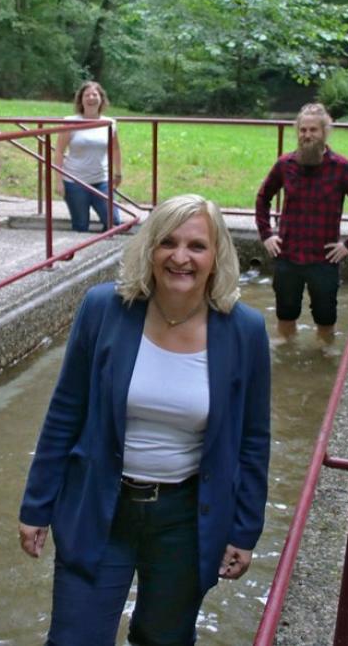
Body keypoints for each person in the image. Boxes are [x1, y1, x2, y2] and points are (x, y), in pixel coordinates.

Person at [18, 194, 271, 645]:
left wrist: (245, 529)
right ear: (149, 248)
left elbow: (253, 440)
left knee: (163, 639)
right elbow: (65, 412)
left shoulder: (243, 331)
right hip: (100, 505)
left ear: (216, 257)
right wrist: (37, 505)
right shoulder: (104, 310)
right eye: (167, 243)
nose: (180, 257)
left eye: (196, 246)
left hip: (186, 518)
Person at [255, 102, 348, 345]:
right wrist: (267, 234)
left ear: (324, 132)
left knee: (325, 318)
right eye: (303, 130)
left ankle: (323, 361)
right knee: (285, 315)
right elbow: (263, 198)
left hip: (324, 260)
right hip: (288, 257)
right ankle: (288, 356)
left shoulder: (341, 168)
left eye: (313, 130)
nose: (307, 135)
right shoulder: (284, 165)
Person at [54, 81, 124, 232]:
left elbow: (116, 149)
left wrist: (118, 173)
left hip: (101, 180)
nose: (91, 98)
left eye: (95, 94)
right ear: (81, 99)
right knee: (81, 225)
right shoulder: (70, 122)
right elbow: (59, 150)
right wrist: (58, 181)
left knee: (114, 222)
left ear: (101, 98)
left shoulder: (109, 123)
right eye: (87, 95)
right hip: (75, 181)